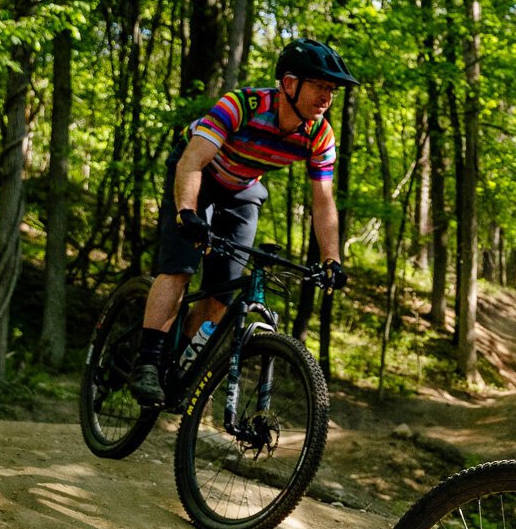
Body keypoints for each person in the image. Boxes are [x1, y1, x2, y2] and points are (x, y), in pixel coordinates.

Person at [130, 39, 359, 405]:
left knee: (222, 296)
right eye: (320, 86)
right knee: (180, 268)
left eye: (332, 90)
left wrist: (331, 259)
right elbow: (192, 163)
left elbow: (322, 200)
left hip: (243, 189)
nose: (327, 97)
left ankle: (175, 362)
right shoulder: (241, 106)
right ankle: (146, 361)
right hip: (198, 175)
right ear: (289, 83)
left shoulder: (319, 134)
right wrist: (187, 212)